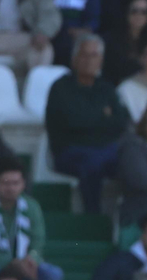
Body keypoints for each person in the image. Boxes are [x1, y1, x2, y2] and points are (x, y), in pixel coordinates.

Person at [47, 32, 129, 214]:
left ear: (101, 60)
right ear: (74, 59)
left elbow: (120, 122)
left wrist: (93, 119)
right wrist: (103, 117)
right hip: (69, 152)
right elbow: (72, 121)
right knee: (92, 162)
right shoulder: (60, 88)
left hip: (106, 152)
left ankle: (128, 220)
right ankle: (93, 216)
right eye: (84, 55)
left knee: (132, 160)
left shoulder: (106, 88)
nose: (89, 60)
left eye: (95, 55)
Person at [0, 164, 61, 280]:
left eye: (15, 183)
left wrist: (32, 259)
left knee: (53, 275)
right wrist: (11, 262)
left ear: (23, 184)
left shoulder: (31, 206)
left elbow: (38, 242)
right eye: (6, 183)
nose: (11, 188)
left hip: (23, 268)